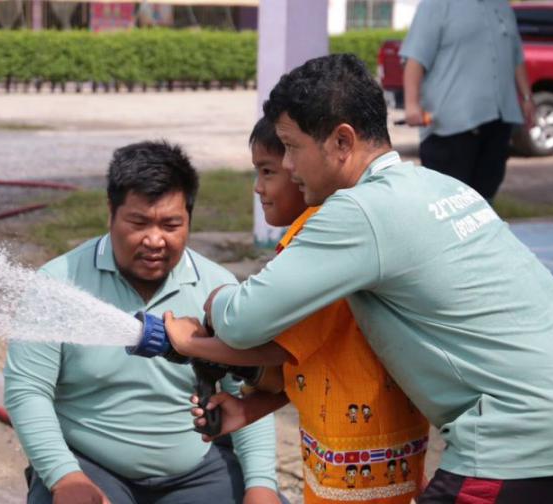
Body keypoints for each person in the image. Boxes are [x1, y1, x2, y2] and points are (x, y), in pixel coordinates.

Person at [164, 54, 553, 504]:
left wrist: (210, 308)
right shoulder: (440, 186)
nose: (286, 165)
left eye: (292, 146)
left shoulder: (356, 212)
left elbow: (243, 322)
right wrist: (255, 403)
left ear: (341, 141)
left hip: (521, 444)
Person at [3, 141, 282, 504]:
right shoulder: (57, 284)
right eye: (138, 223)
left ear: (190, 219)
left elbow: (248, 392)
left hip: (199, 473)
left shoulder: (221, 291)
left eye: (171, 225)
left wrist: (261, 485)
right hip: (91, 466)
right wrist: (64, 476)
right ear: (111, 212)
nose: (154, 240)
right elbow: (27, 390)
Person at [168, 117, 429, 503]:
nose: (258, 187)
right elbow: (314, 351)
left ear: (301, 168)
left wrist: (190, 344)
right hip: (371, 440)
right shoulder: (336, 230)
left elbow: (280, 348)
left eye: (268, 171)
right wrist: (252, 406)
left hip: (354, 449)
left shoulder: (316, 241)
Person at [399, 0, 535, 201]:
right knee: (446, 204)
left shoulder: (502, 6)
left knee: (484, 201)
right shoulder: (436, 5)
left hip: (498, 122)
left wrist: (527, 97)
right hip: (450, 127)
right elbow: (415, 59)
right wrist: (412, 105)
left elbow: (516, 57)